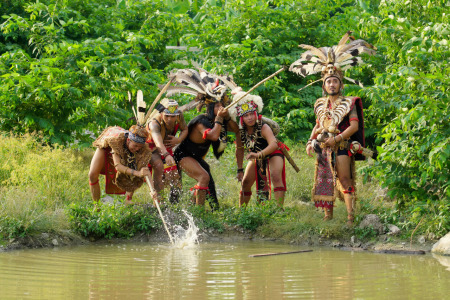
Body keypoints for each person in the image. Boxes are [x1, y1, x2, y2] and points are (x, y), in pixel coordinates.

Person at [289, 31, 376, 224]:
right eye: (329, 81)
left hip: (342, 146)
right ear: (324, 84)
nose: (332, 84)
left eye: (335, 80)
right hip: (323, 147)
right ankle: (327, 217)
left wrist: (336, 139)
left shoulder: (349, 102)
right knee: (324, 182)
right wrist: (311, 140)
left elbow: (354, 126)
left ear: (340, 83)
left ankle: (350, 218)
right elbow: (318, 125)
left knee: (344, 180)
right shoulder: (320, 103)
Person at [164, 68, 244, 210]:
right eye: (217, 105)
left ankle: (207, 206)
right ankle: (199, 212)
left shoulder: (218, 120)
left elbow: (236, 129)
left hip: (196, 157)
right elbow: (213, 135)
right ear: (211, 106)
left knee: (208, 179)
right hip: (183, 155)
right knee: (203, 177)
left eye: (222, 105)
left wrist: (225, 117)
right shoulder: (202, 121)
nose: (220, 107)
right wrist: (220, 119)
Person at [229, 91, 287, 207]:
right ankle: (242, 212)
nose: (250, 118)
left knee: (275, 175)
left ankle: (279, 210)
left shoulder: (263, 126)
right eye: (246, 115)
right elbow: (239, 150)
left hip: (273, 152)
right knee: (245, 182)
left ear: (255, 113)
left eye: (251, 114)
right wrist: (240, 170)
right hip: (256, 155)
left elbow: (273, 144)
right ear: (241, 118)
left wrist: (258, 154)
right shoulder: (240, 131)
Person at [88, 125, 152, 205]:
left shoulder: (142, 149)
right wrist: (137, 173)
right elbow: (118, 166)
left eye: (139, 147)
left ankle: (128, 199)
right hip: (107, 144)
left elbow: (145, 171)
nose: (137, 149)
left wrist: (153, 192)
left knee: (134, 165)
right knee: (92, 175)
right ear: (129, 140)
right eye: (135, 145)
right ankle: (96, 205)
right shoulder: (117, 142)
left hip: (125, 148)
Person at [146, 99, 188, 203]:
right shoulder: (154, 124)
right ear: (161, 113)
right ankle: (159, 201)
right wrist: (166, 155)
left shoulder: (179, 115)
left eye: (173, 116)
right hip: (150, 149)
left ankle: (174, 202)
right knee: (159, 167)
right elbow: (157, 142)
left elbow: (185, 129)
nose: (169, 119)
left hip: (165, 148)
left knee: (173, 175)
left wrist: (178, 139)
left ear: (176, 115)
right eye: (167, 116)